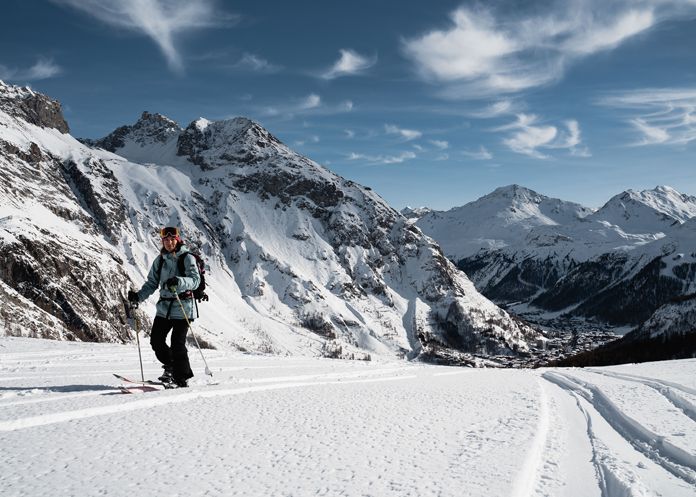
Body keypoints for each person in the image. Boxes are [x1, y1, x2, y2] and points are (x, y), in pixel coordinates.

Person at [128, 226, 200, 388]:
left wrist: (180, 281)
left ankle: (181, 379)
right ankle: (171, 367)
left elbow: (195, 281)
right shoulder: (160, 260)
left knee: (177, 343)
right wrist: (138, 297)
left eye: (172, 239)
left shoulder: (187, 258)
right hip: (164, 308)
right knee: (156, 341)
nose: (169, 242)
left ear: (178, 239)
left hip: (184, 307)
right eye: (165, 240)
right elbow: (152, 283)